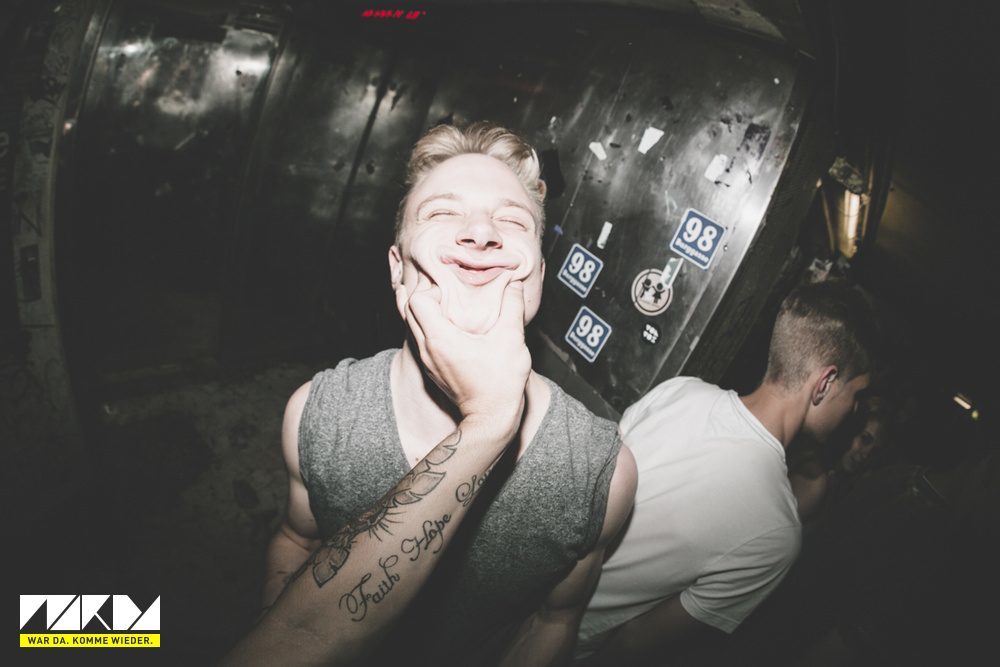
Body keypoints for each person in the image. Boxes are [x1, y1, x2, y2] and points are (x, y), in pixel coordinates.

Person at [223, 122, 637, 666]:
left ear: (537, 274)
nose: (481, 232)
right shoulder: (318, 414)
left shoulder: (601, 473)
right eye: (442, 213)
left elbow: (554, 620)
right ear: (397, 268)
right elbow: (297, 540)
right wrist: (273, 620)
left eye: (512, 221)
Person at [575, 279, 878, 665]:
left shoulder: (680, 391)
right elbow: (634, 644)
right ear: (825, 383)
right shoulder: (776, 531)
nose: (854, 409)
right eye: (856, 394)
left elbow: (587, 488)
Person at [789, 396, 892, 522]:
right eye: (865, 439)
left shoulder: (842, 487)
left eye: (874, 451)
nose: (866, 454)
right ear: (850, 430)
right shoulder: (813, 475)